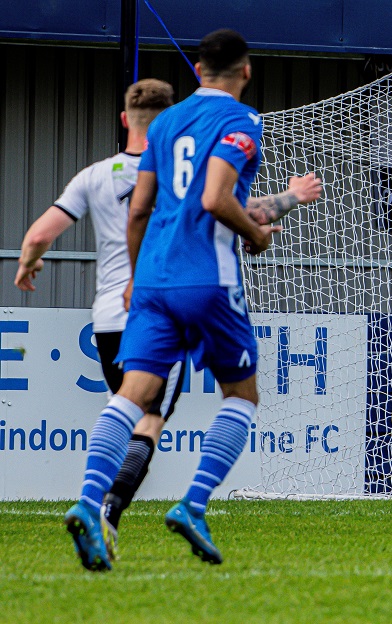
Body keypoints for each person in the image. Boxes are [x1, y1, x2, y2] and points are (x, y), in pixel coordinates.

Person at [17, 78, 320, 566]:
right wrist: (290, 198)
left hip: (112, 312)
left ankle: (92, 505)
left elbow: (43, 232)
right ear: (170, 119)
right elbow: (228, 206)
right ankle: (110, 515)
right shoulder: (187, 168)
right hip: (172, 291)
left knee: (126, 401)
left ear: (124, 119)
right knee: (156, 418)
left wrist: (29, 262)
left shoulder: (94, 175)